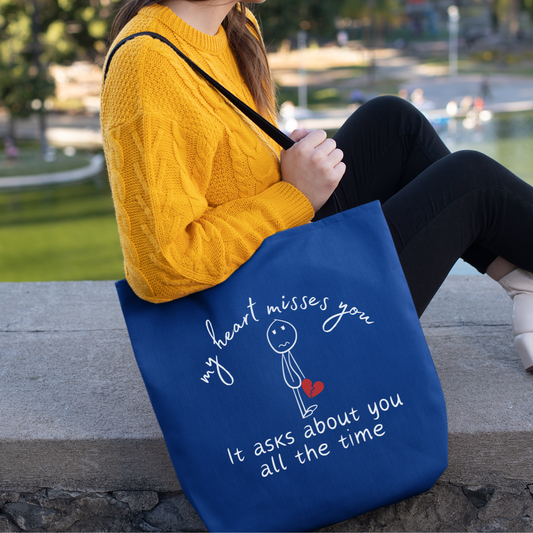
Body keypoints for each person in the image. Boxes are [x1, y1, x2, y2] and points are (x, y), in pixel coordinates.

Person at [101, 0, 533, 373]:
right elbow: (161, 267)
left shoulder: (236, 26)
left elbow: (226, 173)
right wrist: (295, 196)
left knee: (392, 123)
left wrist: (283, 158)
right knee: (471, 181)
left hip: (282, 270)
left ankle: (523, 282)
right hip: (271, 332)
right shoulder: (147, 65)